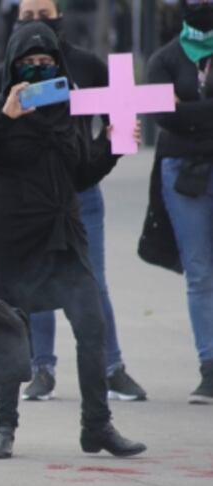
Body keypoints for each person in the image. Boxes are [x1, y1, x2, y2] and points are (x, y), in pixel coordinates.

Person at [0, 22, 147, 459]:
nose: (39, 70)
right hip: (14, 239)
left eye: (47, 63)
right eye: (30, 64)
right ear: (13, 67)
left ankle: (96, 427)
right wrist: (5, 119)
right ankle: (4, 426)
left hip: (65, 235)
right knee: (11, 334)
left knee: (92, 325)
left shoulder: (72, 111)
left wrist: (113, 145)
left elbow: (81, 174)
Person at [144, 0, 213, 404]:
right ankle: (210, 366)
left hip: (188, 153)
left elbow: (177, 114)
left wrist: (187, 111)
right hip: (181, 174)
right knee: (200, 271)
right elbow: (162, 116)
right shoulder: (165, 58)